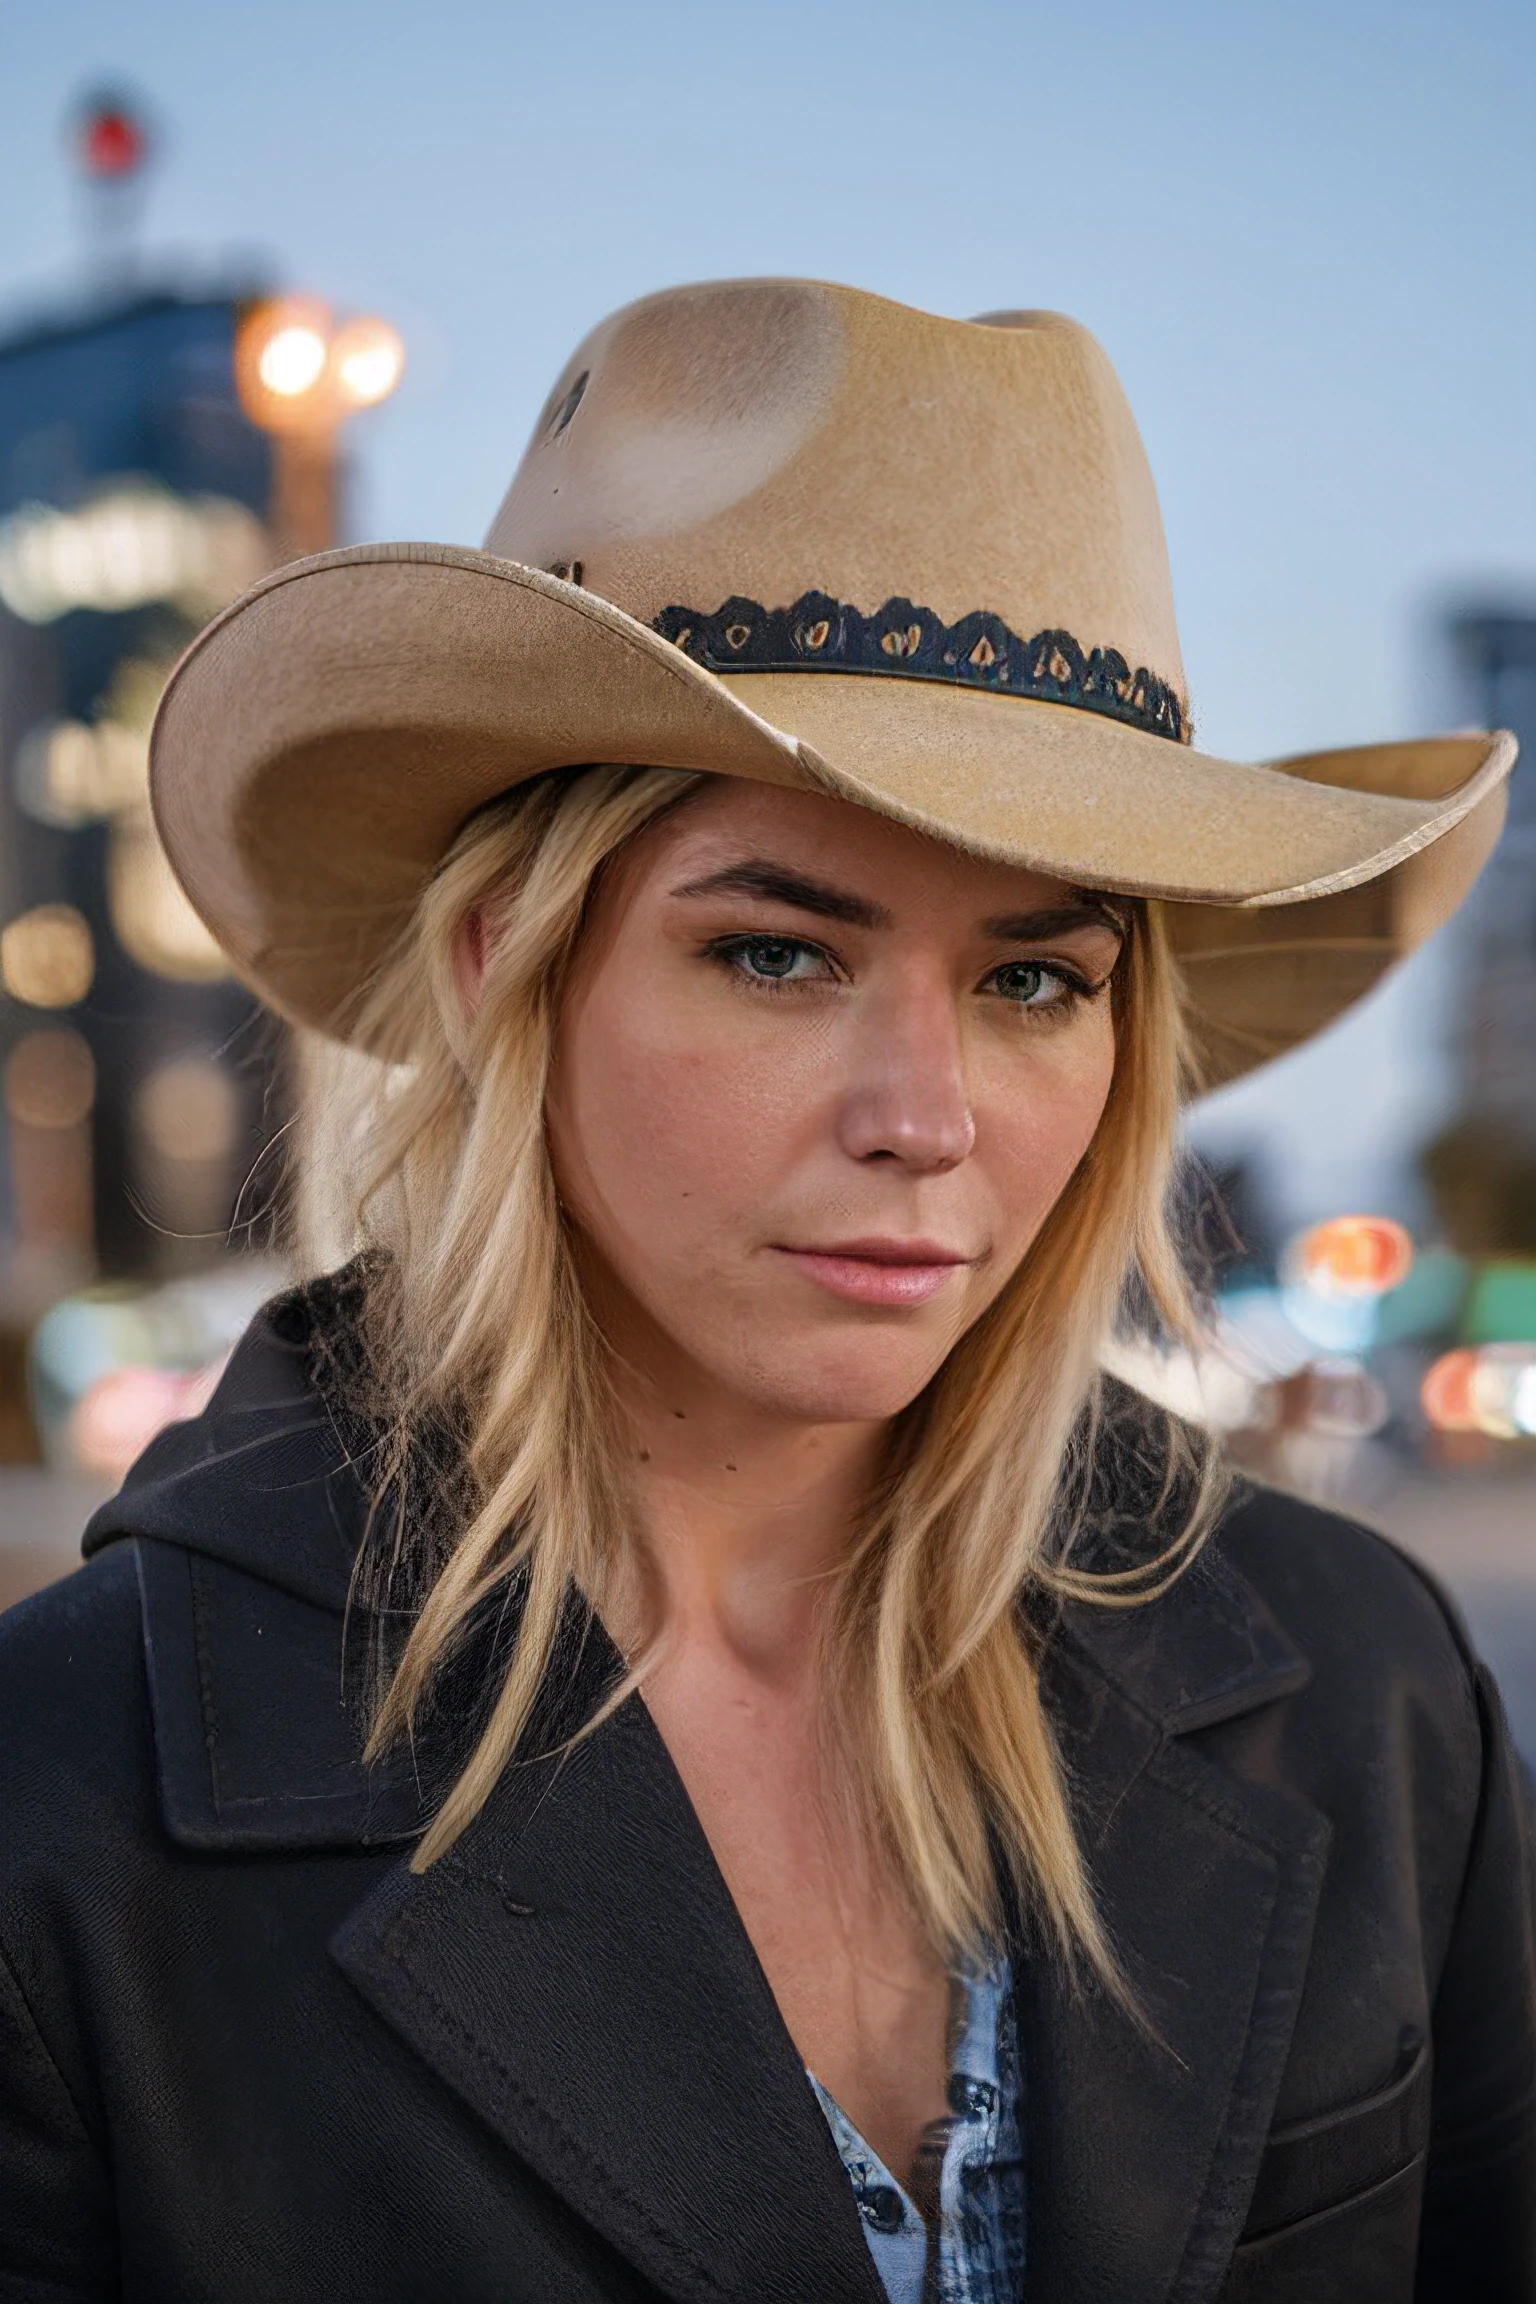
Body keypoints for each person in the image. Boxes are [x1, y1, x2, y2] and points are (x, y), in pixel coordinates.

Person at [1, 279, 1530, 2304]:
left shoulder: (1367, 1686)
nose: (929, 1118)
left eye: (1033, 981)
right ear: (502, 975)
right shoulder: (63, 1797)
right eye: (780, 954)